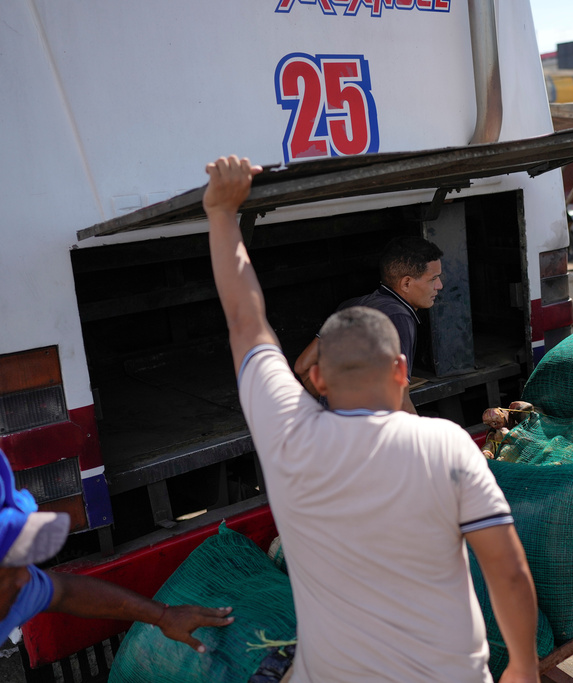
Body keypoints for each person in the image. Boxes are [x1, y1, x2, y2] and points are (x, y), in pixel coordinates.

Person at [203, 155, 539, 683]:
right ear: (401, 370)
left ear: (318, 379)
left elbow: (247, 322)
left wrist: (221, 214)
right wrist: (522, 665)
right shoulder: (447, 447)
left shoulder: (287, 440)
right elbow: (509, 572)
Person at [0, 449, 233, 653]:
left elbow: (65, 592)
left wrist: (164, 616)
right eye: (7, 572)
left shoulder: (17, 584)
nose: (25, 578)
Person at [293, 235, 444, 414]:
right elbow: (400, 402)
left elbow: (303, 367)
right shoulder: (398, 317)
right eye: (433, 279)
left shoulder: (350, 306)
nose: (439, 285)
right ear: (406, 283)